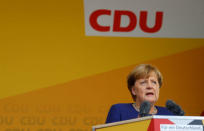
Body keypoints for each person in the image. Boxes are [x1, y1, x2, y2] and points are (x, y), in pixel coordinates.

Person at [106, 64, 174, 123]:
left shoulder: (169, 114)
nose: (150, 86)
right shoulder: (119, 111)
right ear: (134, 90)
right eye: (143, 82)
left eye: (154, 82)